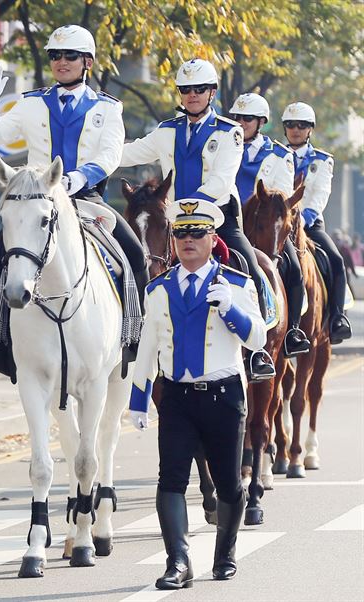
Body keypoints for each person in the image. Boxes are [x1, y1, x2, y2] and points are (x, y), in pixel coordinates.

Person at [0, 24, 148, 376]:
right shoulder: (32, 102)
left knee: (135, 257)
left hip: (86, 197)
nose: (61, 61)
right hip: (38, 202)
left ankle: (134, 337)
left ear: (88, 62)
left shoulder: (107, 108)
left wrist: (76, 178)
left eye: (70, 55)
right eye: (55, 56)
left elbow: (110, 155)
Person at [128, 199, 266, 589]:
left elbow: (257, 338)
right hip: (176, 397)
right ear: (172, 240)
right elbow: (148, 347)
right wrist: (138, 400)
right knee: (170, 479)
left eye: (197, 233)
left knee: (227, 482)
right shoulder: (157, 289)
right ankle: (178, 562)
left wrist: (231, 311)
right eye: (181, 233)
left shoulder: (237, 284)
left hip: (223, 396)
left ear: (212, 239)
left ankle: (225, 555)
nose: (188, 240)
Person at [121, 58, 272, 380]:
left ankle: (258, 349)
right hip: (174, 222)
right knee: (141, 263)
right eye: (186, 89)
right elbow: (128, 154)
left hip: (218, 217)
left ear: (212, 92)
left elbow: (220, 181)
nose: (192, 94)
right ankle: (132, 335)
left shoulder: (229, 132)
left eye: (199, 89)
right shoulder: (165, 131)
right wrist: (91, 155)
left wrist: (190, 208)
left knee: (249, 264)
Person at [229, 92, 310, 357]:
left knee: (295, 269)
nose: (241, 122)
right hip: (228, 222)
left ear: (261, 121)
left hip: (267, 226)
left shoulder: (279, 155)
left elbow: (283, 196)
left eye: (248, 118)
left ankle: (293, 332)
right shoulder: (224, 144)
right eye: (237, 117)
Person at [282, 102, 352, 343]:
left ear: (310, 129)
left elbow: (320, 195)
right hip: (279, 225)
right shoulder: (274, 155)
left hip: (310, 224)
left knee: (336, 260)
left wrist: (301, 220)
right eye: (290, 125)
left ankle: (337, 318)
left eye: (302, 125)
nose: (296, 130)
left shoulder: (322, 160)